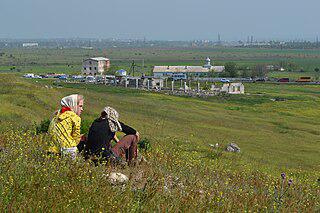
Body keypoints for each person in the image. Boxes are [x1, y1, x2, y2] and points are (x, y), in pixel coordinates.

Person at [48, 94, 84, 159]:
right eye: (80, 106)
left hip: (52, 150)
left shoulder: (56, 117)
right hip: (69, 149)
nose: (82, 109)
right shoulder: (74, 118)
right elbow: (75, 137)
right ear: (74, 105)